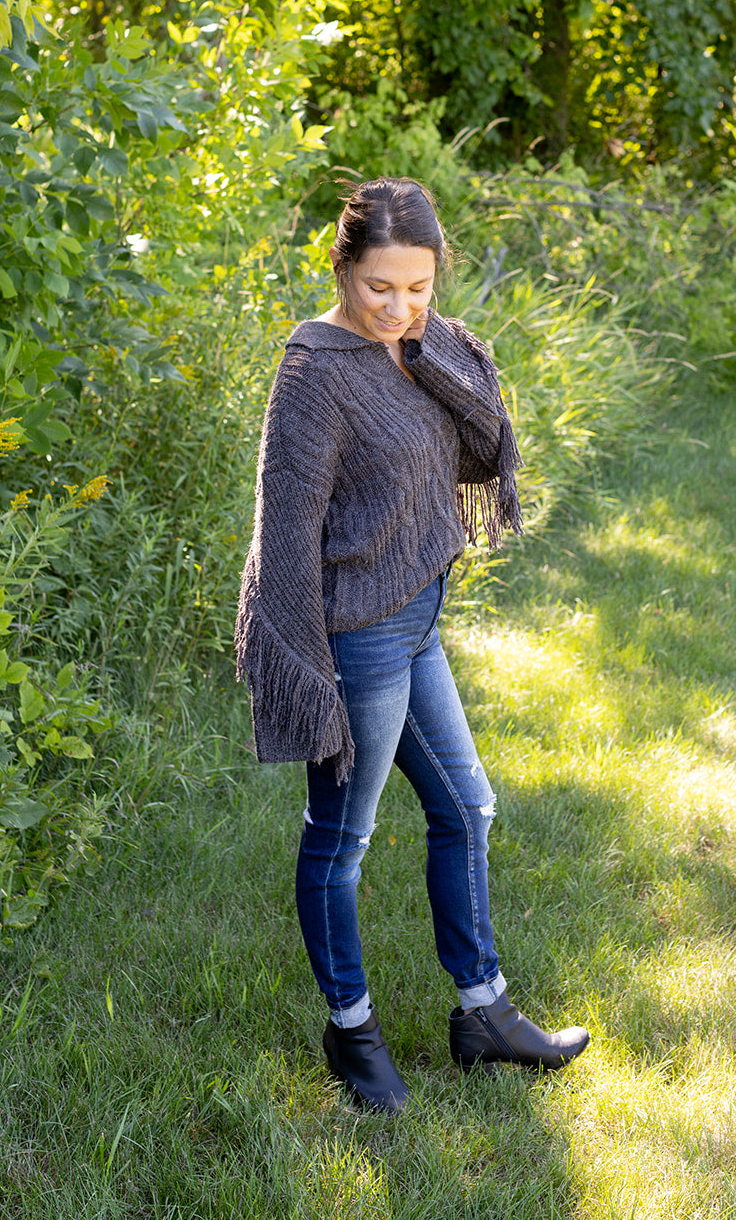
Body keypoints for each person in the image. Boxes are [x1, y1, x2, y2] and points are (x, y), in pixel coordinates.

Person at [235, 177, 589, 1113]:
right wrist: (302, 667)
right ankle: (350, 1032)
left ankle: (481, 1013)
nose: (399, 307)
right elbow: (285, 536)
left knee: (467, 809)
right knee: (341, 843)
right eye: (379, 287)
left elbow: (479, 446)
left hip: (418, 618)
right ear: (341, 265)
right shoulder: (313, 372)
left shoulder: (424, 348)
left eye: (420, 288)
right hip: (355, 638)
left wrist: (432, 349)